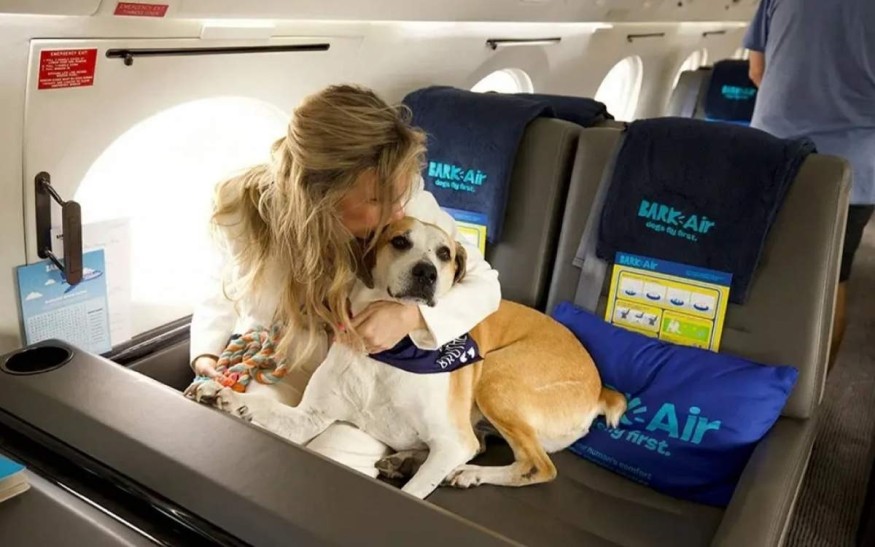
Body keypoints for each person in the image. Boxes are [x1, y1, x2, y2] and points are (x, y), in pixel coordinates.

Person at [188, 84, 501, 476]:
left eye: (399, 194)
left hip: (373, 376)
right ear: (321, 195)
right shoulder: (244, 210)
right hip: (288, 359)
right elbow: (224, 285)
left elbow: (486, 285)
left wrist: (411, 317)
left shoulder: (409, 208)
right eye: (376, 200)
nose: (397, 211)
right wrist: (206, 354)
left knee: (328, 465)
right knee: (240, 442)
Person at [743, 0, 875, 370]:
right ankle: (811, 389)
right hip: (854, 162)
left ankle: (756, 373)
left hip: (774, 151)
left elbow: (757, 70)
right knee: (831, 280)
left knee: (762, 270)